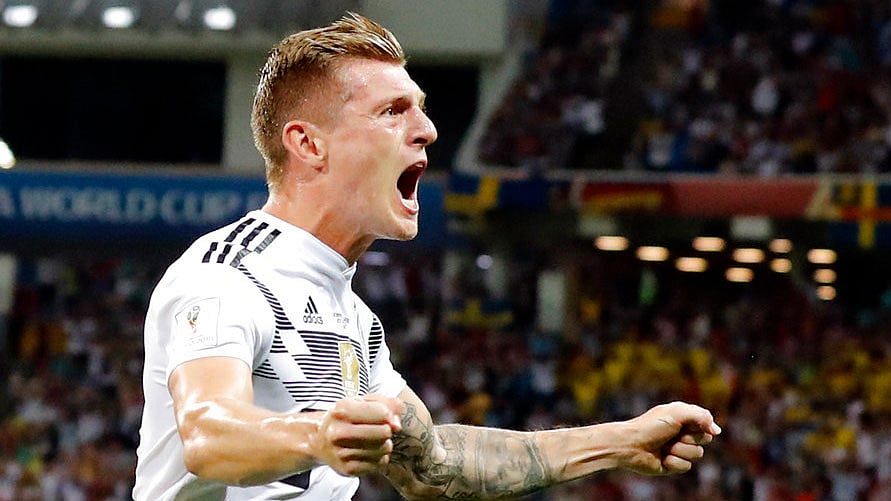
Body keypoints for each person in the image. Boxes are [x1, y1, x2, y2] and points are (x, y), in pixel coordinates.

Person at [133, 12, 721, 500]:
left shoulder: (356, 322)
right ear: (308, 144)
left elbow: (434, 462)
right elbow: (207, 433)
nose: (428, 130)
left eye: (419, 107)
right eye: (392, 112)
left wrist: (620, 441)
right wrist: (315, 434)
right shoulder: (227, 274)